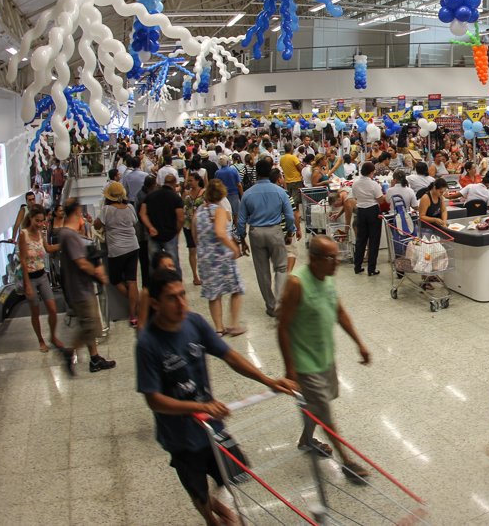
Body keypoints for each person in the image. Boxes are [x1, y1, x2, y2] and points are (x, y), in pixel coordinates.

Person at [135, 268, 295, 525]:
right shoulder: (148, 344)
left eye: (182, 294)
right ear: (155, 303)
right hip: (181, 438)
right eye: (171, 298)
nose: (181, 303)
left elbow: (229, 355)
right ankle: (211, 516)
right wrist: (198, 407)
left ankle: (220, 505)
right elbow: (153, 400)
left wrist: (268, 380)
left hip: (212, 427)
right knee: (198, 493)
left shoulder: (194, 322)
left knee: (235, 473)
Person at [277, 235, 371, 482]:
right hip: (305, 364)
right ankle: (347, 462)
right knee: (325, 411)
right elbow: (282, 327)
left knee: (316, 406)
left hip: (325, 357)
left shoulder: (327, 278)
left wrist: (359, 343)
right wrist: (290, 370)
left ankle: (306, 440)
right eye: (331, 257)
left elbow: (339, 311)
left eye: (337, 255)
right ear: (314, 259)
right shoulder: (297, 283)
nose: (337, 262)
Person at [56, 198, 116, 376]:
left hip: (81, 287)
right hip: (80, 289)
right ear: (77, 213)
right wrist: (98, 274)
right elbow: (81, 263)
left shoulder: (70, 234)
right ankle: (69, 351)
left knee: (87, 323)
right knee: (92, 328)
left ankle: (95, 358)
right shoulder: (69, 235)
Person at [237, 157, 295, 317]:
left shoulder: (248, 194)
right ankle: (280, 303)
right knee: (281, 268)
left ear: (256, 173)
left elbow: (241, 222)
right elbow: (289, 216)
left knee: (262, 271)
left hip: (256, 232)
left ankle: (271, 306)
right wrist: (290, 232)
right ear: (270, 172)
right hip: (275, 232)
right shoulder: (280, 192)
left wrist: (242, 240)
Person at [194, 179, 246, 337]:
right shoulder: (220, 211)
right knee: (237, 289)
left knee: (213, 293)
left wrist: (203, 249)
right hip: (221, 257)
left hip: (205, 258)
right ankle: (234, 324)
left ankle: (218, 328)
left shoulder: (199, 212)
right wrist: (234, 248)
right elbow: (221, 233)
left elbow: (195, 235)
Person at [94, 182, 142, 328]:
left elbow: (97, 225)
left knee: (115, 280)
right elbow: (134, 222)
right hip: (133, 247)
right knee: (132, 280)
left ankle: (136, 304)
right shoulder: (130, 207)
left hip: (116, 250)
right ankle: (134, 314)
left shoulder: (107, 210)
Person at [18, 204, 64, 352]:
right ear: (31, 218)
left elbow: (48, 248)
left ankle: (53, 336)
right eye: (37, 221)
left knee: (52, 308)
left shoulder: (41, 233)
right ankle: (40, 340)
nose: (40, 224)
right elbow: (23, 260)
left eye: (42, 221)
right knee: (35, 312)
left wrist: (63, 244)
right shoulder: (23, 235)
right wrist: (27, 285)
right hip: (30, 278)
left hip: (42, 275)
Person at [140, 174, 185, 273]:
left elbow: (142, 213)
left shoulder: (151, 195)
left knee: (153, 263)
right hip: (170, 235)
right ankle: (176, 284)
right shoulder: (175, 198)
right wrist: (177, 232)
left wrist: (150, 227)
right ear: (174, 184)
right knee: (173, 263)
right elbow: (181, 218)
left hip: (153, 235)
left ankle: (156, 286)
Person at [350, 161, 387, 276]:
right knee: (374, 240)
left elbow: (355, 197)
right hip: (373, 212)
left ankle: (357, 266)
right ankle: (371, 269)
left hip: (360, 211)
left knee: (361, 240)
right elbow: (380, 200)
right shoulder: (374, 184)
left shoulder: (355, 184)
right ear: (371, 172)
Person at [214, 155, 243, 225]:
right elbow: (239, 184)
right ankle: (235, 227)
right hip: (234, 194)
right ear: (227, 162)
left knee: (224, 212)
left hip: (222, 196)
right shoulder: (233, 170)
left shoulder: (217, 173)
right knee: (236, 213)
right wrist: (242, 195)